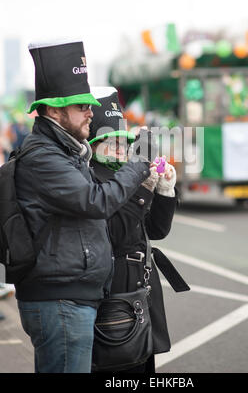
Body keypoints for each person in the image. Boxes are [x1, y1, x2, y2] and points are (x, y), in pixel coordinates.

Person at [14, 39, 155, 373]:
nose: (91, 112)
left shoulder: (64, 151)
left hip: (70, 297)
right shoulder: (44, 157)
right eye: (81, 106)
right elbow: (97, 202)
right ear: (53, 110)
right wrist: (139, 165)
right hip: (59, 300)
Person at [89, 87, 189, 373]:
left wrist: (165, 189)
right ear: (93, 145)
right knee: (119, 365)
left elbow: (155, 230)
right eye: (111, 140)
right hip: (115, 293)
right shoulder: (92, 179)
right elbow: (117, 235)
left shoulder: (128, 172)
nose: (121, 147)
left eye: (124, 140)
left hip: (141, 288)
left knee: (143, 363)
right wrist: (144, 189)